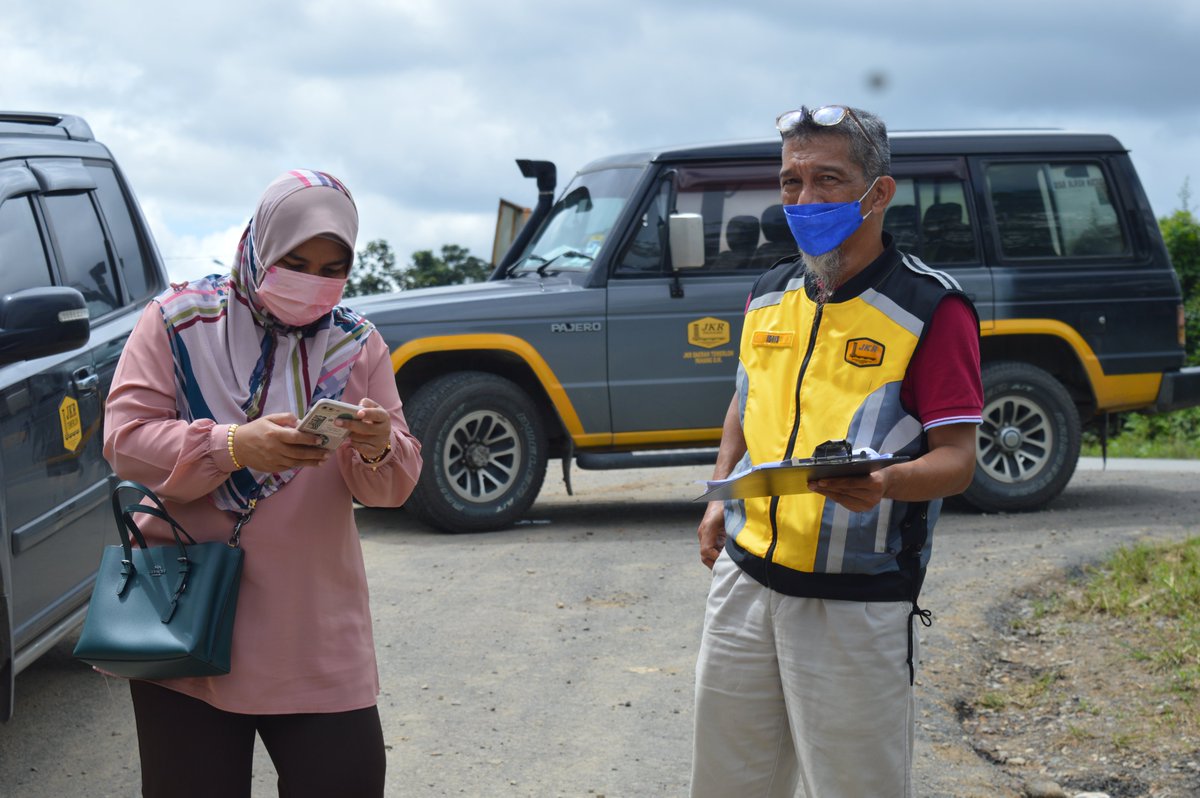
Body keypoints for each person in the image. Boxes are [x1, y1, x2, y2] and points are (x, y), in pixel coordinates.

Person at [690, 106, 983, 798]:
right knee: (728, 784)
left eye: (829, 180)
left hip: (856, 601)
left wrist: (886, 482)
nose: (806, 199)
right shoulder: (768, 294)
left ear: (877, 194)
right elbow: (746, 399)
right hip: (745, 581)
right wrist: (718, 491)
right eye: (792, 181)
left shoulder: (930, 309)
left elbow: (959, 458)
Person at [102, 169, 422, 798]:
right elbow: (125, 440)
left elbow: (392, 487)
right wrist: (231, 444)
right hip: (186, 619)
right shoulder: (177, 321)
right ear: (257, 246)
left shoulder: (355, 346)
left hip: (313, 627)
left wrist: (379, 443)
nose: (313, 281)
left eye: (333, 267)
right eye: (294, 260)